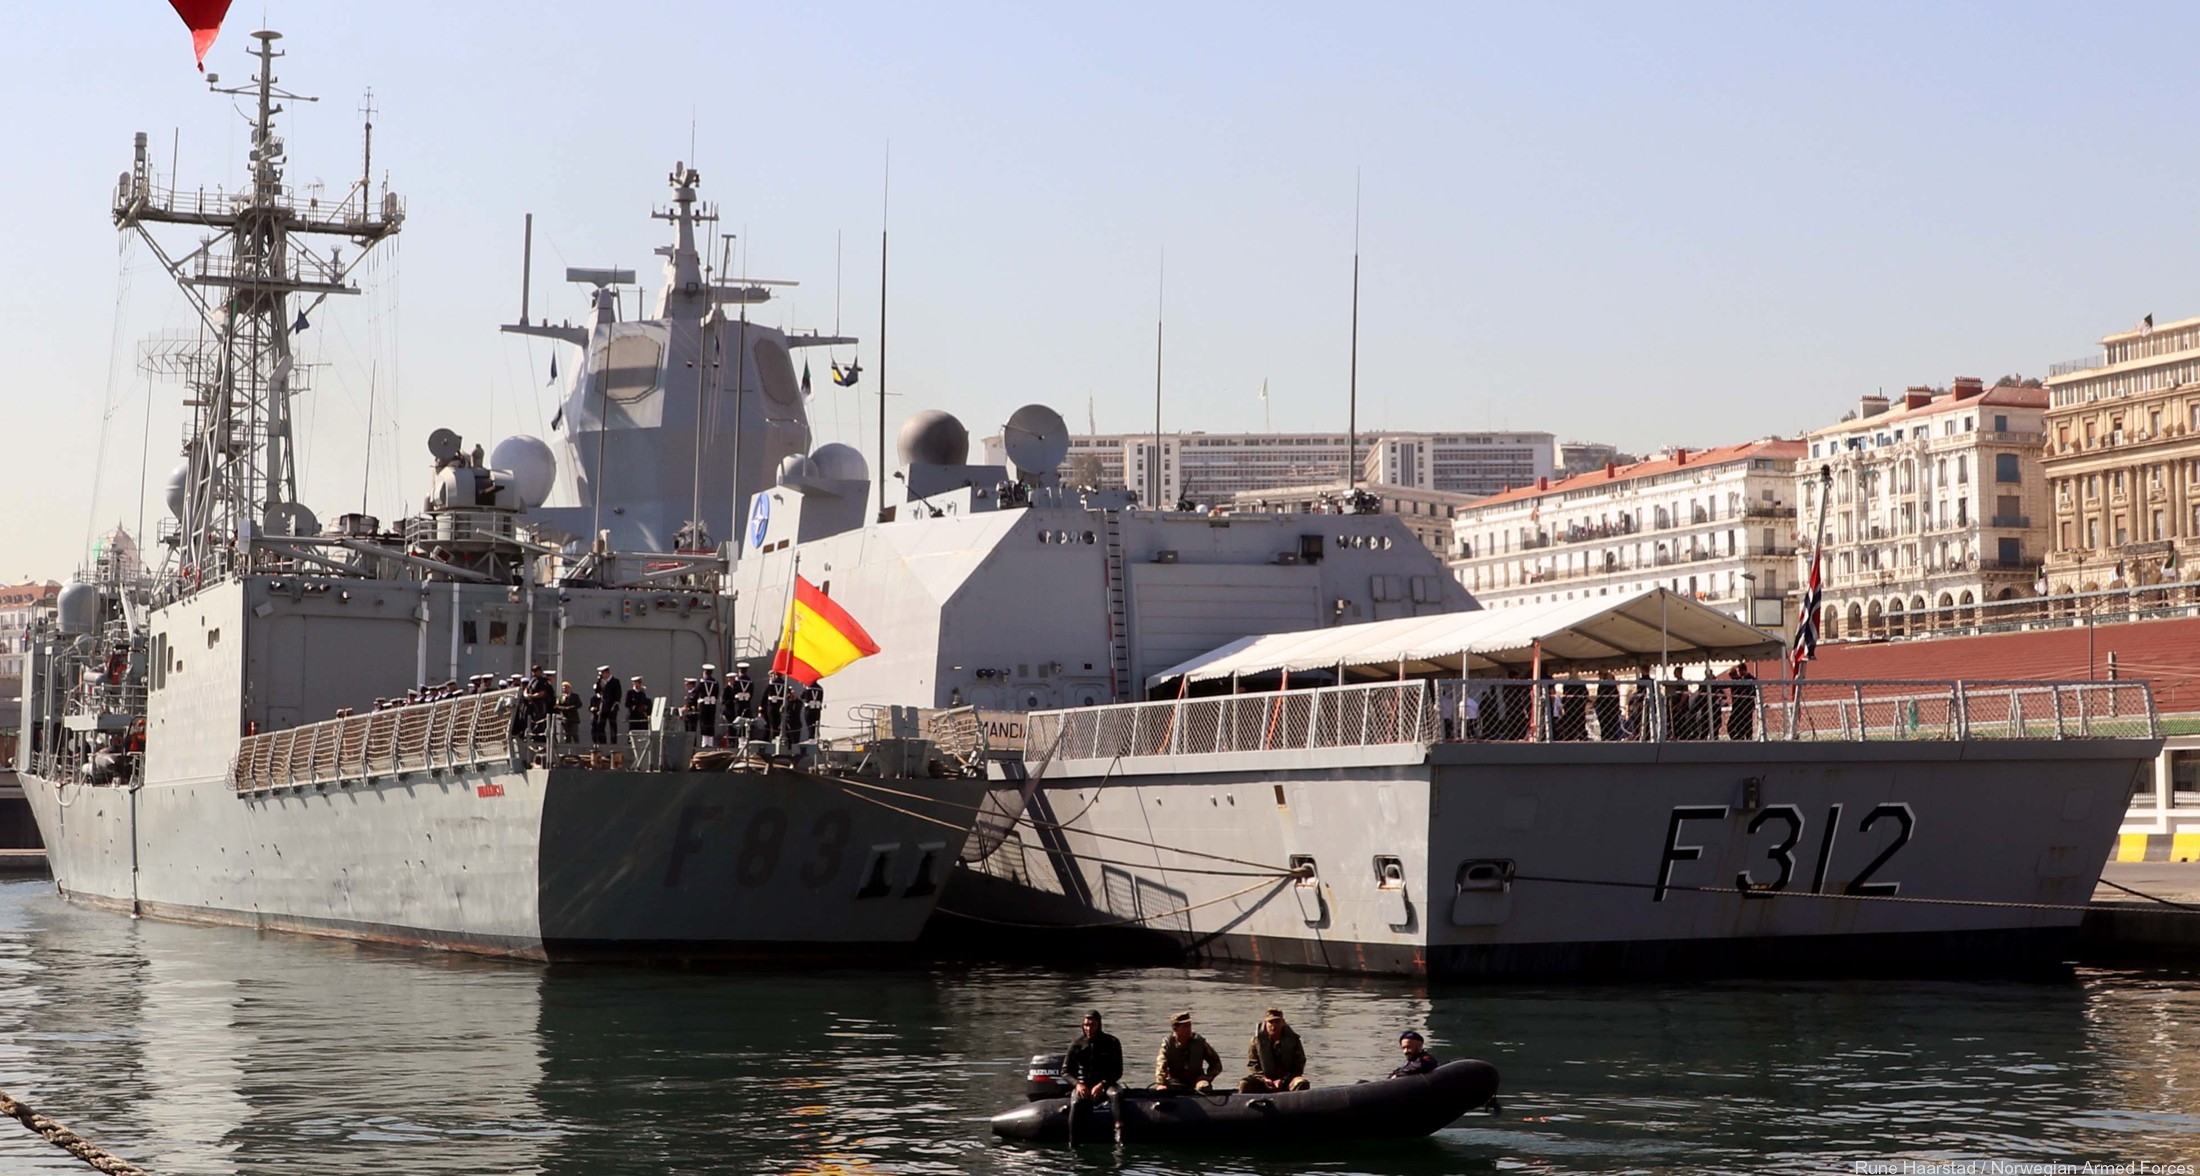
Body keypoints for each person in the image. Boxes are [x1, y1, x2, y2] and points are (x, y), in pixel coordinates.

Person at [1062, 1011, 1125, 1143]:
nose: (1089, 1029)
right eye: (1086, 1025)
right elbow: (1065, 1071)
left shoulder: (1112, 1042)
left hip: (1106, 1084)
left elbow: (1118, 1071)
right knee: (1076, 1102)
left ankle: (1119, 1133)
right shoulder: (1076, 1045)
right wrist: (1077, 1084)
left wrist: (1103, 1084)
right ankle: (1073, 1141)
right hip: (1083, 1085)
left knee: (1116, 1094)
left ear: (1099, 1025)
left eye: (1092, 1025)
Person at [1239, 1007, 1310, 1093]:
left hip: (1288, 1080)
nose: (1273, 1026)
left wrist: (1283, 1080)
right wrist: (1264, 1079)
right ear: (1265, 1023)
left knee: (1302, 1083)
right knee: (1244, 1084)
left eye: (1277, 1022)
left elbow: (1298, 1065)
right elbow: (1253, 1065)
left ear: (1283, 1022)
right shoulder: (1256, 1041)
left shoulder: (1293, 1040)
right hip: (1264, 1080)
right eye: (1270, 1022)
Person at [1154, 1012, 1223, 1093]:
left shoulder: (1199, 1042)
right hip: (1176, 1081)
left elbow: (1216, 1063)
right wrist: (1161, 1083)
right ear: (1175, 1028)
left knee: (1203, 1087)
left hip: (1196, 1080)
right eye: (1186, 1026)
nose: (1189, 1029)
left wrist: (1207, 1077)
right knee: (1172, 1088)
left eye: (1189, 1025)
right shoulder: (1168, 1044)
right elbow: (1161, 1065)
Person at [590, 666, 624, 745]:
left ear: (607, 673)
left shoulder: (615, 681)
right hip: (603, 706)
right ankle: (603, 743)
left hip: (612, 706)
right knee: (600, 725)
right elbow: (597, 691)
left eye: (602, 673)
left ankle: (613, 744)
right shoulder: (601, 682)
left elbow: (618, 694)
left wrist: (616, 704)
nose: (601, 675)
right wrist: (598, 681)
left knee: (612, 726)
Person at [1726, 663, 1757, 740]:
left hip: (1746, 706)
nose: (1738, 673)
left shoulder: (1751, 679)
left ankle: (1748, 740)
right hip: (1739, 707)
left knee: (1747, 724)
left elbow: (1753, 693)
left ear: (1742, 670)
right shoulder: (1740, 680)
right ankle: (1740, 738)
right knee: (1736, 725)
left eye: (1739, 671)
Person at [695, 664, 722, 746]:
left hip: (704, 704)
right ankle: (710, 742)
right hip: (712, 705)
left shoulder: (702, 682)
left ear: (705, 672)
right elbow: (717, 694)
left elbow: (696, 692)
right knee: (711, 722)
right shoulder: (715, 682)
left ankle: (704, 742)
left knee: (703, 722)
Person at [1594, 672, 1621, 741]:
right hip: (1612, 711)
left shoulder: (1602, 685)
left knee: (1604, 730)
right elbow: (1616, 698)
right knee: (1612, 729)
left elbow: (1599, 699)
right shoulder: (1613, 686)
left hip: (1604, 711)